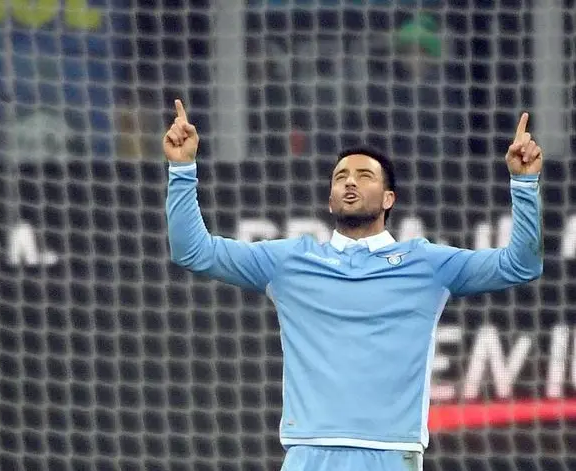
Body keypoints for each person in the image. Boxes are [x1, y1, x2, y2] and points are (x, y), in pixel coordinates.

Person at [163, 99, 543, 471]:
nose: (350, 182)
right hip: (308, 453)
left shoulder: (428, 264)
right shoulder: (288, 261)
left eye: (365, 176)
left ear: (389, 198)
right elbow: (194, 251)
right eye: (340, 177)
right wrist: (182, 170)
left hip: (392, 452)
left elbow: (519, 265)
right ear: (330, 200)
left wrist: (524, 184)